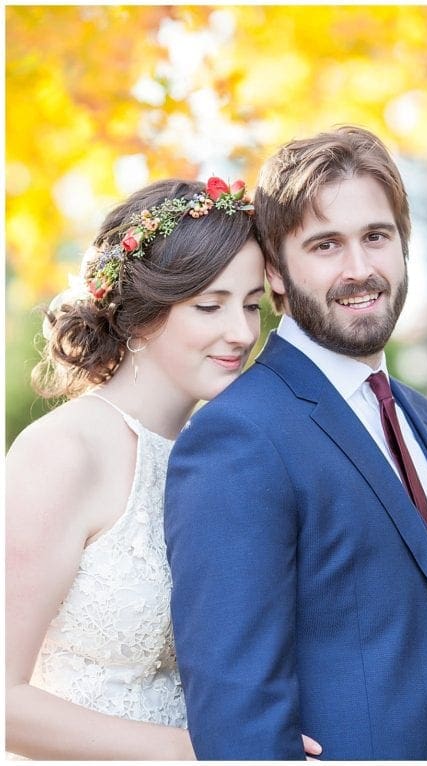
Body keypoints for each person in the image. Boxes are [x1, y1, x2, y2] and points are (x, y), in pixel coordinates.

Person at [164, 125, 427, 760]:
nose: (360, 269)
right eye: (325, 245)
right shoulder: (239, 435)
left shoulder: (423, 415)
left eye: (376, 236)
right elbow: (236, 711)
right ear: (275, 272)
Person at [5, 177, 276, 758]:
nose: (242, 333)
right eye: (210, 306)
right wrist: (196, 752)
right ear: (139, 316)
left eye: (252, 305)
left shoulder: (219, 455)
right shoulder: (64, 452)